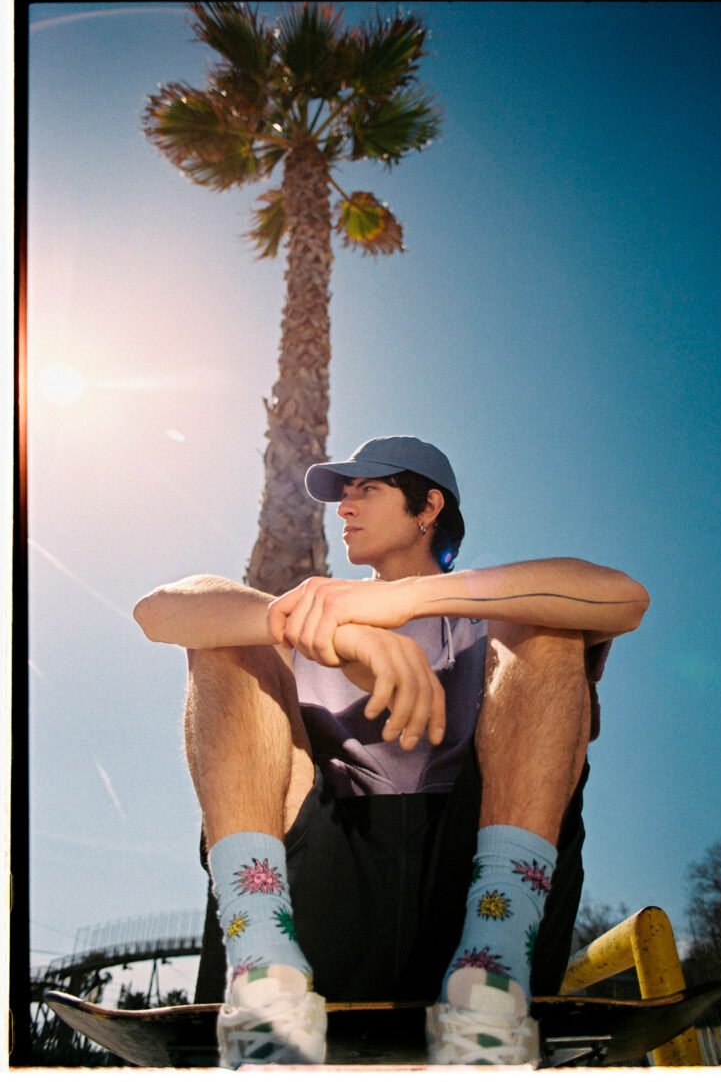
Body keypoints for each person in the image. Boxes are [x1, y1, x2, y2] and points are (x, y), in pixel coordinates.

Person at [134, 435, 649, 1068]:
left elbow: (626, 598)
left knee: (546, 627)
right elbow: (158, 611)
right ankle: (263, 972)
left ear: (428, 506)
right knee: (230, 635)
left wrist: (405, 600)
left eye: (366, 490)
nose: (344, 507)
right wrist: (337, 635)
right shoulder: (316, 611)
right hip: (323, 865)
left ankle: (491, 977)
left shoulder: (485, 616)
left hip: (471, 871)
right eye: (342, 496)